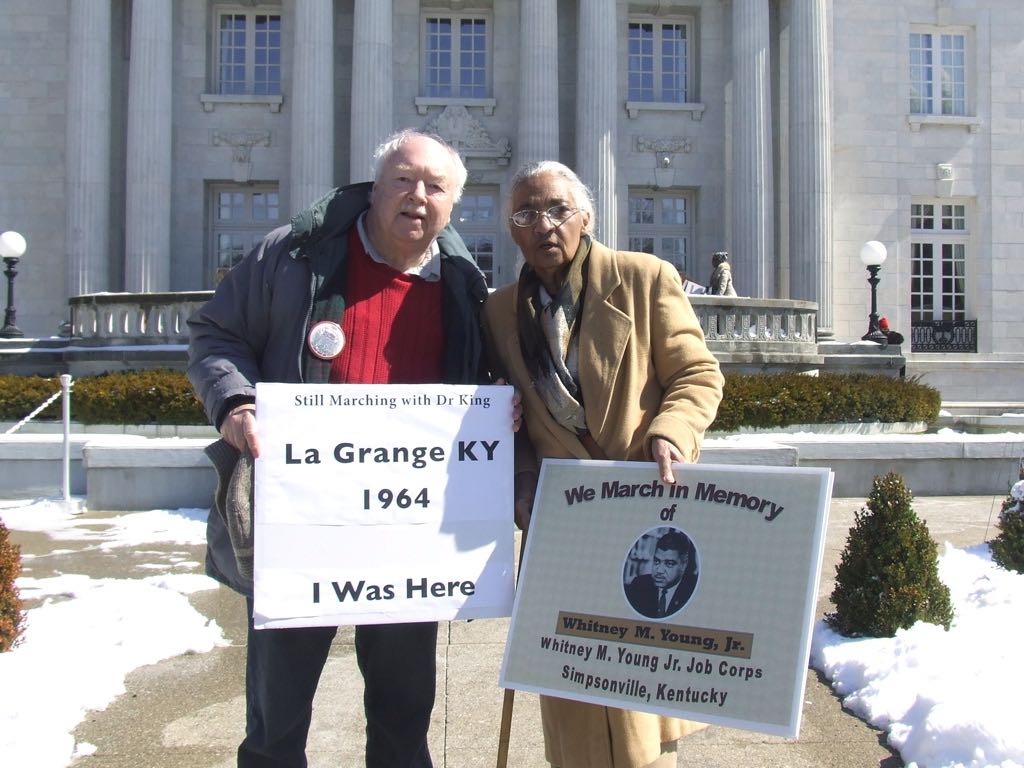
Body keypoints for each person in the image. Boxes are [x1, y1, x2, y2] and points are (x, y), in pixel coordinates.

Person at [187, 129, 491, 768]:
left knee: (404, 714)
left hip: (408, 527)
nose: (417, 196)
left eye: (435, 187)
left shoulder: (464, 284)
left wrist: (498, 408)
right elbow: (216, 333)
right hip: (301, 519)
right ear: (374, 188)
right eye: (403, 179)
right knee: (277, 714)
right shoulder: (294, 255)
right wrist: (236, 403)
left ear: (453, 204)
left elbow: (479, 379)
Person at [483, 160, 725, 768]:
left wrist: (671, 433)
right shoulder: (500, 310)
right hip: (563, 518)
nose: (544, 225)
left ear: (586, 217)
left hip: (641, 506)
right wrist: (522, 478)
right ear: (512, 230)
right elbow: (505, 414)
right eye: (526, 214)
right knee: (574, 694)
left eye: (557, 210)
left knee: (644, 687)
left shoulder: (643, 278)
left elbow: (698, 375)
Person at [625, 530, 698, 619]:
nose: (659, 570)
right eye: (657, 561)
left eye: (669, 564)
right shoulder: (639, 585)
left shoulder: (692, 592)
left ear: (684, 565)